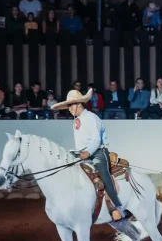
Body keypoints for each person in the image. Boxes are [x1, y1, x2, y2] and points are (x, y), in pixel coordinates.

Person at [50, 88, 131, 222]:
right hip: (83, 155)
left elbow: (96, 140)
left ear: (78, 104)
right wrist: (77, 155)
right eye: (68, 106)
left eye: (70, 106)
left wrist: (87, 152)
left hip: (98, 152)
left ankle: (118, 207)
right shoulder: (76, 121)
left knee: (104, 175)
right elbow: (79, 142)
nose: (69, 109)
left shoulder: (92, 117)